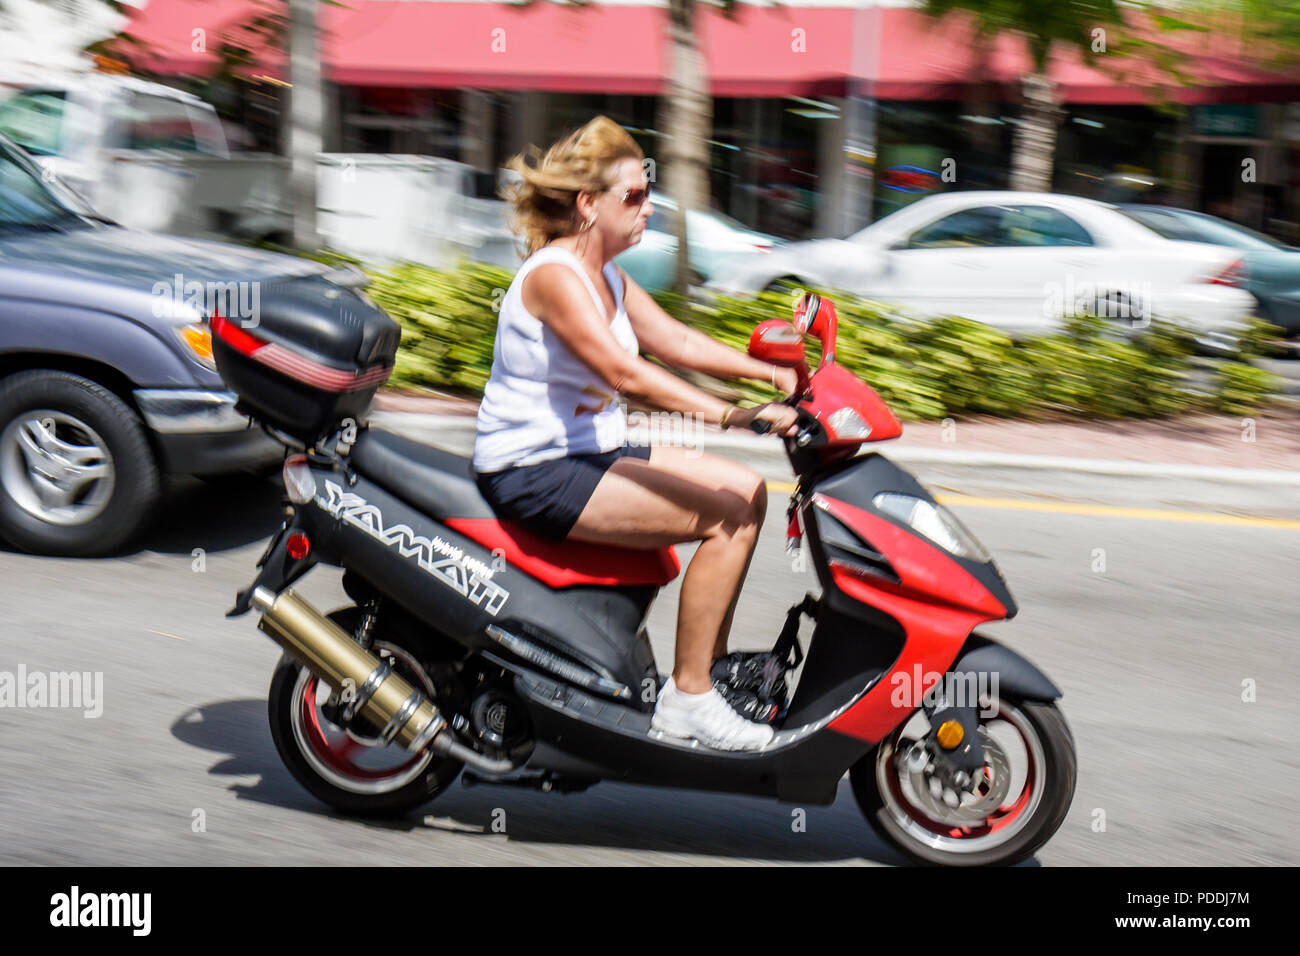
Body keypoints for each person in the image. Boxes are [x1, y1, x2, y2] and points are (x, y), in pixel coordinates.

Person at [472, 116, 799, 751]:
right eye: (634, 196)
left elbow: (675, 340)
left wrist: (772, 372)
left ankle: (704, 677)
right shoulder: (553, 278)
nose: (648, 207)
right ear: (588, 205)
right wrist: (738, 415)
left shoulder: (609, 275)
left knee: (751, 490)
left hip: (591, 450)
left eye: (648, 193)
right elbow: (626, 372)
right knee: (726, 518)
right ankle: (690, 701)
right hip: (536, 468)